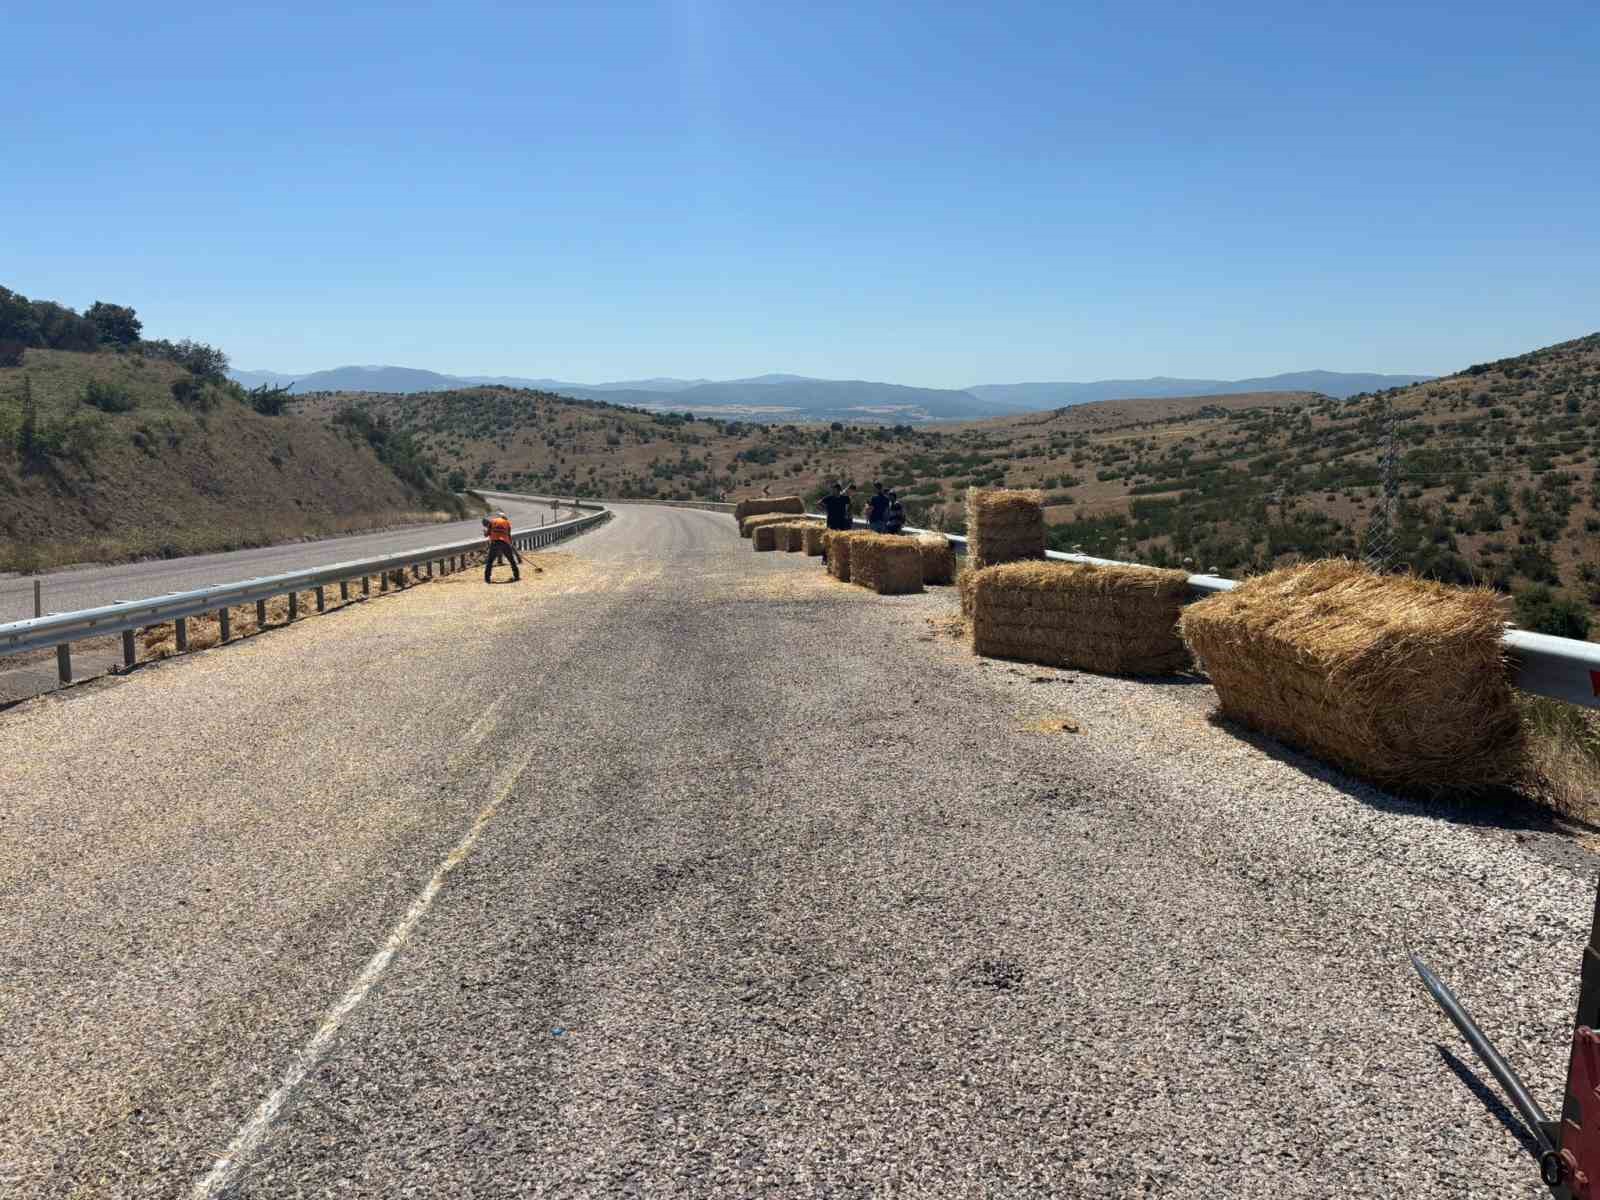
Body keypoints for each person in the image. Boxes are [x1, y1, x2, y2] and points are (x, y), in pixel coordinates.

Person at [484, 510, 520, 583]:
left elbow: (487, 534)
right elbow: (509, 535)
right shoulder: (507, 523)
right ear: (504, 517)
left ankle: (487, 579)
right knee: (511, 560)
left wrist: (485, 532)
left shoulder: (492, 521)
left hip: (494, 543)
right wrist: (510, 543)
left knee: (490, 561)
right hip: (505, 543)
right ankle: (516, 576)